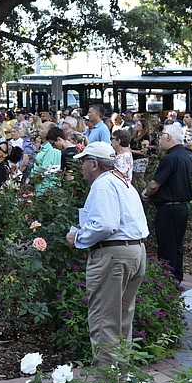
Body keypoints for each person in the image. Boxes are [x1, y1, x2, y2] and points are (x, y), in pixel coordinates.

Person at [66, 141, 148, 367]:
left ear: (94, 164)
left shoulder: (103, 184)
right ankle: (121, 378)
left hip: (113, 255)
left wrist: (79, 238)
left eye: (83, 161)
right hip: (135, 251)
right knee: (122, 320)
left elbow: (105, 225)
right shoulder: (122, 181)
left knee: (104, 321)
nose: (81, 166)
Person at [140, 123, 192, 282]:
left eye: (162, 135)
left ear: (168, 137)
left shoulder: (170, 158)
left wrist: (146, 194)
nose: (160, 139)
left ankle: (167, 280)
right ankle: (177, 277)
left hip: (169, 209)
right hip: (181, 208)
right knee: (177, 245)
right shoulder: (185, 156)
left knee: (166, 246)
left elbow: (154, 184)